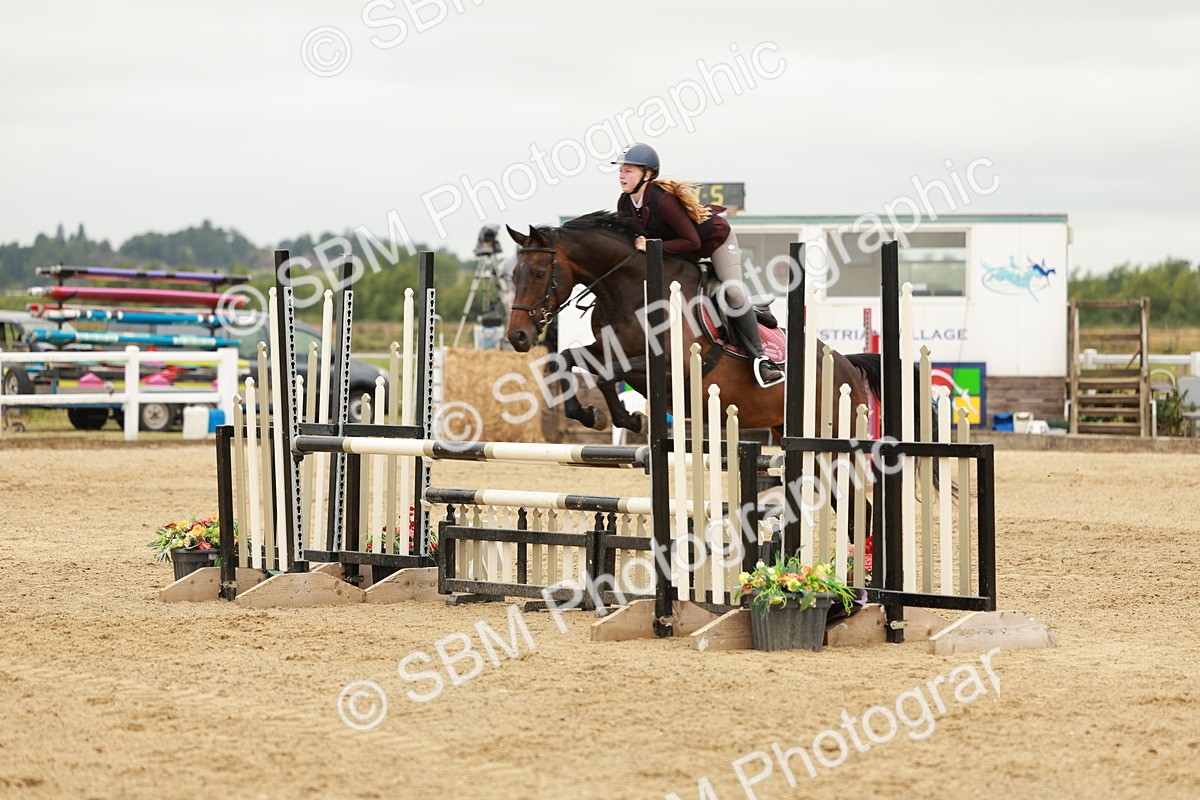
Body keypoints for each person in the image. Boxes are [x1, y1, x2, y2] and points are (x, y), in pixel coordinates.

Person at [612, 142, 783, 388]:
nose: (622, 175)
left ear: (647, 174)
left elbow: (691, 241)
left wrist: (650, 246)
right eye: (620, 170)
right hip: (679, 250)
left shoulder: (664, 201)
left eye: (628, 170)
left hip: (714, 241)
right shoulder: (625, 203)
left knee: (733, 292)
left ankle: (761, 360)